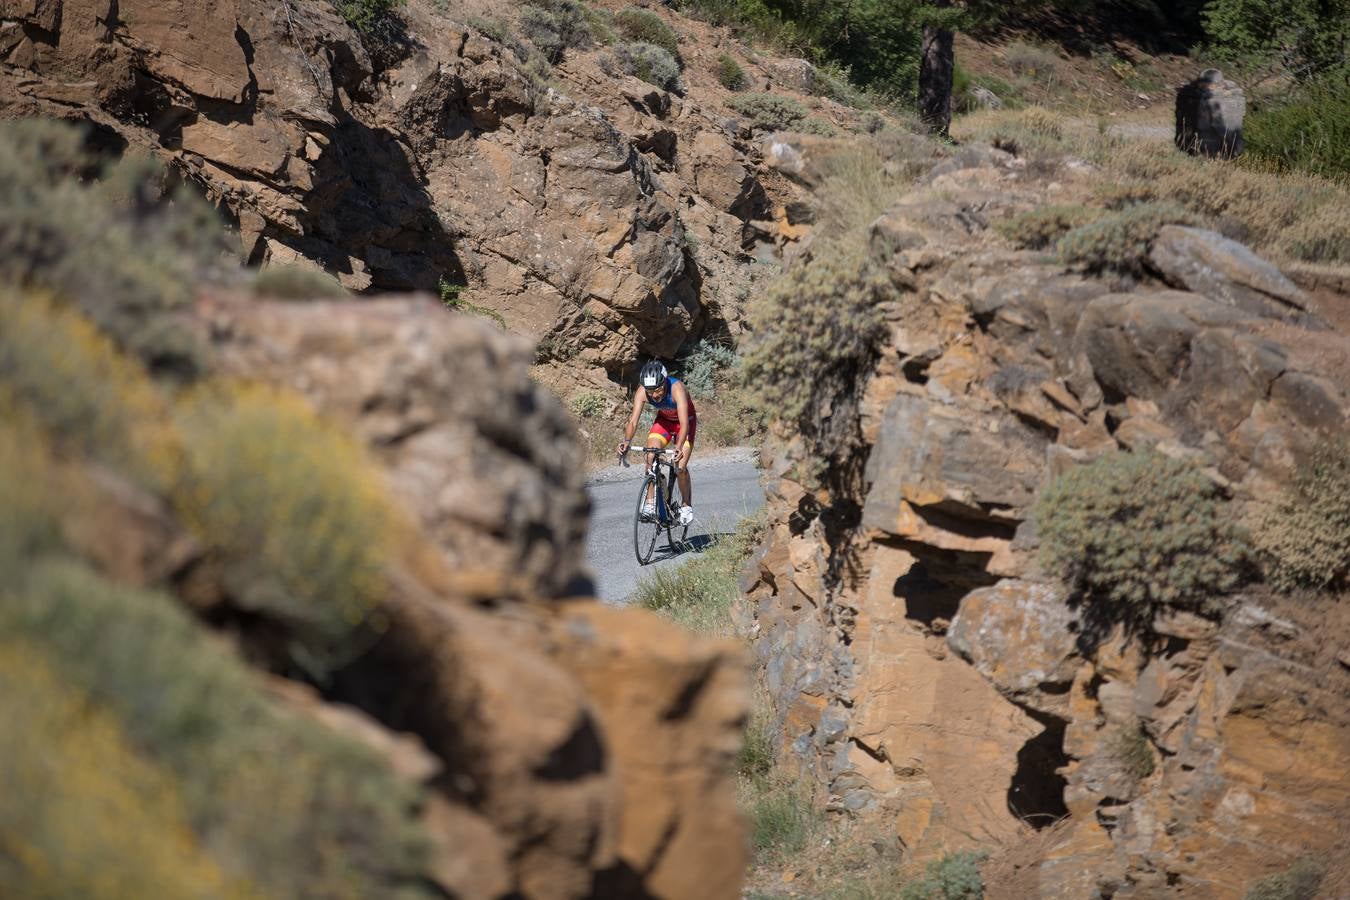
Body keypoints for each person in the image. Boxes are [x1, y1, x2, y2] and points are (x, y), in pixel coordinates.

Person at [617, 360, 696, 525]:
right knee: (650, 455)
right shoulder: (642, 391)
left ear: (665, 382)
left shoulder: (677, 389)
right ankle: (650, 502)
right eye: (650, 391)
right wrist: (626, 441)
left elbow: (684, 424)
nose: (654, 395)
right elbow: (633, 422)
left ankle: (686, 505)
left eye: (658, 389)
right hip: (664, 422)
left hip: (684, 423)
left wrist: (678, 448)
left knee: (680, 467)